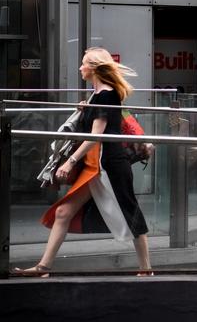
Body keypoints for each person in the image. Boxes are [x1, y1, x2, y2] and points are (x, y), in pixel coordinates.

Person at [13, 47, 152, 276]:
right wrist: (85, 110)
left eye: (83, 63)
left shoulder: (107, 94)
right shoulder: (97, 95)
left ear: (94, 68)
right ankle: (43, 267)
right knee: (63, 212)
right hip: (95, 166)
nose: (80, 67)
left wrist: (69, 162)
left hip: (109, 165)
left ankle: (146, 269)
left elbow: (96, 136)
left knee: (131, 212)